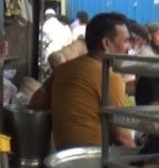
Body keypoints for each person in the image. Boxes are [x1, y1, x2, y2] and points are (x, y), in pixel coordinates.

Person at [30, 12, 136, 149]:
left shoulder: (63, 70)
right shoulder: (109, 78)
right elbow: (122, 136)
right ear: (106, 43)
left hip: (62, 156)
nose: (129, 48)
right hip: (93, 161)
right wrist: (141, 161)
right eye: (126, 41)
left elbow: (36, 102)